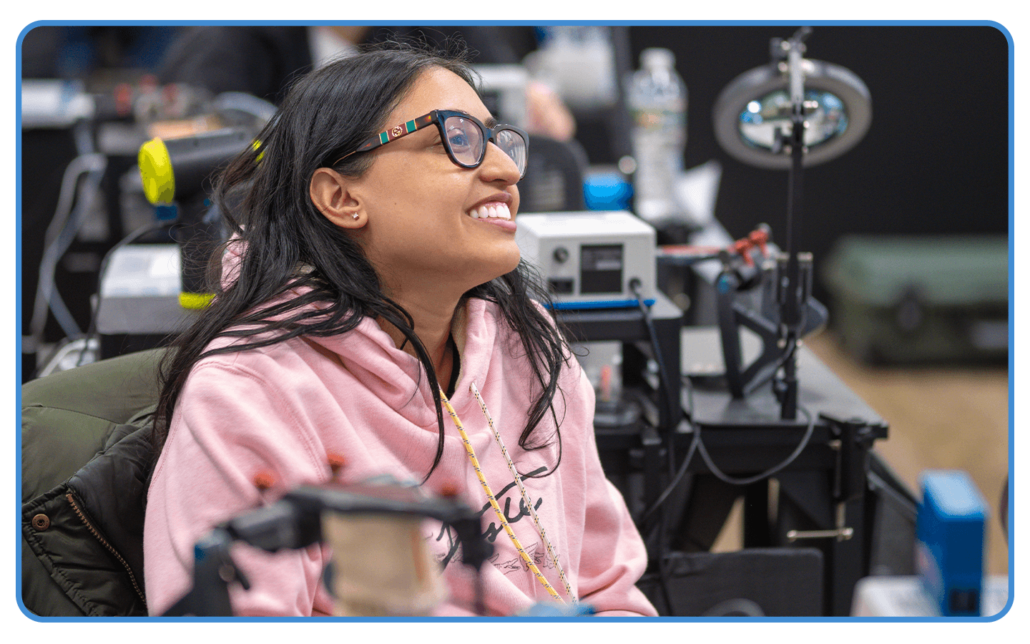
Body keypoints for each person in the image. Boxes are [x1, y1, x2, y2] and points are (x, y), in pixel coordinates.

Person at [143, 42, 656, 617]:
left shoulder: (526, 342)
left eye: (496, 139)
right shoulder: (248, 392)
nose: (506, 170)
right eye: (454, 140)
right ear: (340, 196)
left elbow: (609, 591)